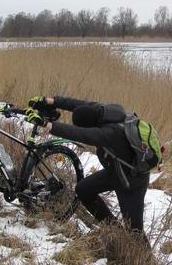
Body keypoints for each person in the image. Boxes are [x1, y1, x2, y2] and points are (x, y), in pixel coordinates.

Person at [25, 96, 150, 243]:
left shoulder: (109, 134)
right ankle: (115, 229)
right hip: (116, 170)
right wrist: (51, 100)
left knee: (135, 231)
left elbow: (80, 134)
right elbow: (78, 105)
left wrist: (48, 125)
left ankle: (146, 261)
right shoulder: (104, 111)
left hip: (131, 181)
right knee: (84, 189)